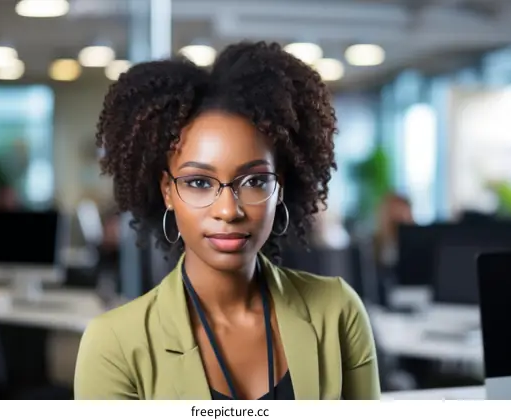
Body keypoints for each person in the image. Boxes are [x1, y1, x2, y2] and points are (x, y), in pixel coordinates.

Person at [74, 41, 380, 400]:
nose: (228, 210)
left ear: (280, 185)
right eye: (199, 183)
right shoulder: (116, 344)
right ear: (167, 191)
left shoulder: (338, 312)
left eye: (253, 181)